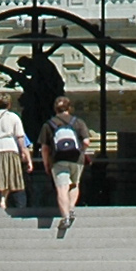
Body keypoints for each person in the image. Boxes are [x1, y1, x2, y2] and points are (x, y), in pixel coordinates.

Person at [44, 97, 88, 236]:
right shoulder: (78, 122)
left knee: (62, 188)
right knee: (74, 184)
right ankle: (71, 208)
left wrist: (46, 163)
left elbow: (45, 148)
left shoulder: (49, 124)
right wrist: (81, 151)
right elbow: (86, 141)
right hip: (76, 159)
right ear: (69, 108)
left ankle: (65, 217)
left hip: (58, 160)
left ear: (55, 109)